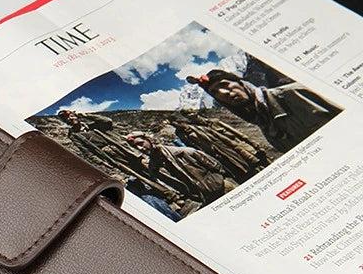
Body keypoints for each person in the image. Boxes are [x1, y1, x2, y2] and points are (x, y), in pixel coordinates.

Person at [186, 69, 341, 152]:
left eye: (224, 84)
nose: (223, 93)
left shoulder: (292, 93)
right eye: (215, 92)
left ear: (241, 83)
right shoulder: (263, 122)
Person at [125, 130, 237, 206]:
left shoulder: (183, 152)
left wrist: (218, 181)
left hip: (223, 187)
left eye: (141, 143)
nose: (140, 148)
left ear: (148, 139)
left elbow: (216, 166)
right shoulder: (154, 168)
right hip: (205, 198)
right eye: (135, 146)